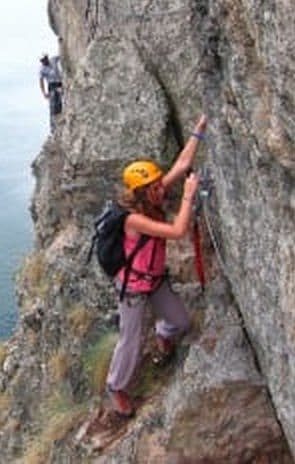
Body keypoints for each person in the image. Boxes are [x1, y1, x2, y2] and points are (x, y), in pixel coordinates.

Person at [106, 114, 208, 417]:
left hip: (155, 280)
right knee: (131, 341)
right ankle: (116, 387)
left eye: (158, 184)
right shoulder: (134, 219)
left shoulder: (150, 196)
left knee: (182, 323)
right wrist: (188, 196)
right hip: (134, 288)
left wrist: (198, 130)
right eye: (154, 187)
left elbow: (180, 164)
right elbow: (177, 232)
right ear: (140, 191)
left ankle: (164, 333)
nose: (161, 190)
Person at [39, 53, 63, 131]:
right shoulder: (42, 69)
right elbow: (41, 81)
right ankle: (53, 126)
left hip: (60, 83)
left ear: (47, 58)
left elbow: (61, 54)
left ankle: (61, 119)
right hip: (52, 85)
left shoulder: (53, 60)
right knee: (53, 104)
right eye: (42, 61)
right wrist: (44, 93)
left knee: (60, 102)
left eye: (45, 59)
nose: (44, 61)